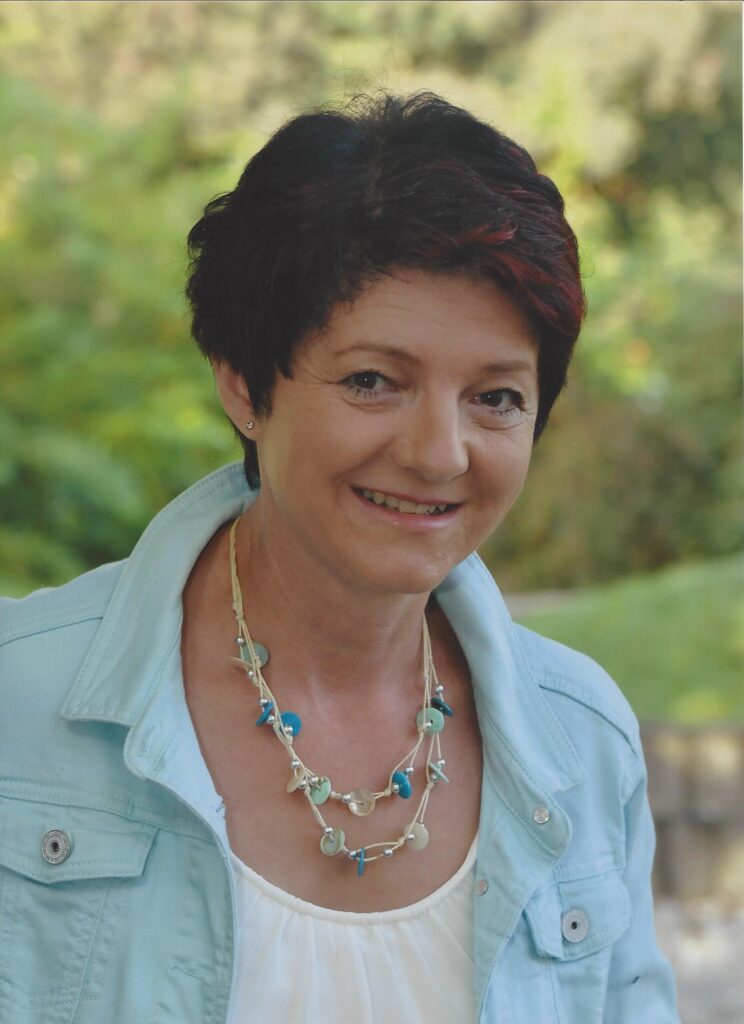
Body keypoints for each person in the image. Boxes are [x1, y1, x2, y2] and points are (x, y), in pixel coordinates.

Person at [0, 91, 679, 1024]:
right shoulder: (20, 703)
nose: (439, 453)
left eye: (495, 398)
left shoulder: (586, 743)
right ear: (244, 385)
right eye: (373, 381)